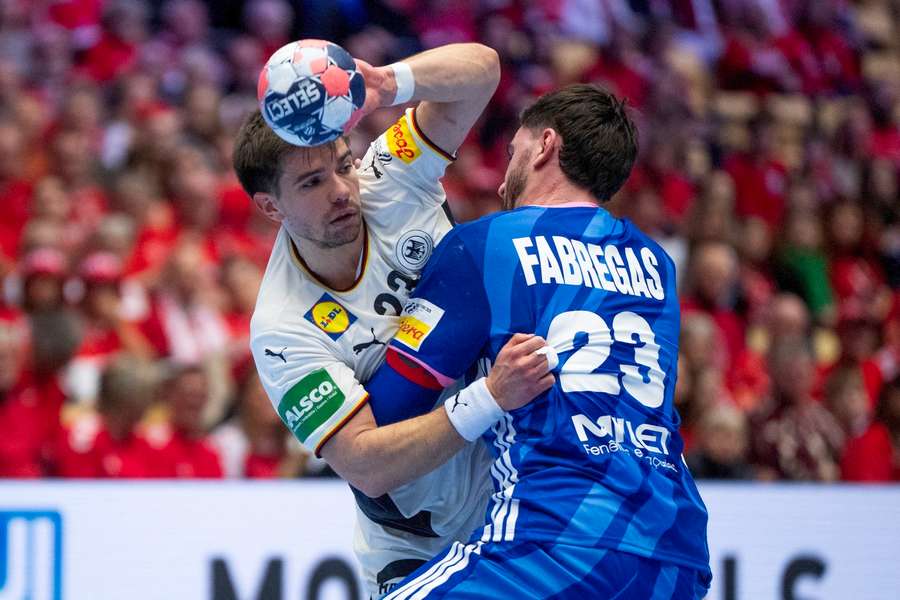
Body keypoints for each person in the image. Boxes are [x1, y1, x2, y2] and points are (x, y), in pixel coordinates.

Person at [237, 43, 551, 598]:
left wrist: (387, 85)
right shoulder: (282, 328)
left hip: (519, 493)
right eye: (312, 184)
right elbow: (366, 464)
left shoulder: (389, 173)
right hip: (417, 542)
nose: (341, 191)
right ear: (271, 207)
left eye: (342, 164)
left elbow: (484, 71)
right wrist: (490, 397)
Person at [373, 84, 711, 598]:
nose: (507, 169)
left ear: (545, 145)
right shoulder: (657, 266)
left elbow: (390, 410)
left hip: (555, 537)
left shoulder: (487, 243)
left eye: (512, 150)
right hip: (675, 550)